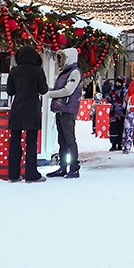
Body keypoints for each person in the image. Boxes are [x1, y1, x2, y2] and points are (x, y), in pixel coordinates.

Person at [6, 46, 48, 183]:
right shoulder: (37, 70)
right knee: (31, 143)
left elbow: (10, 91)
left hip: (17, 108)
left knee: (15, 142)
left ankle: (13, 174)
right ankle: (31, 174)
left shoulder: (14, 71)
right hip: (32, 108)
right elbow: (44, 89)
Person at [45, 47, 83, 178]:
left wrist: (49, 94)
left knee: (69, 139)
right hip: (61, 109)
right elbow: (61, 89)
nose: (60, 61)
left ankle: (74, 168)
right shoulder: (65, 72)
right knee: (62, 140)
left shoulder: (74, 73)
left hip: (67, 110)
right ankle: (62, 167)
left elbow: (68, 90)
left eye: (62, 58)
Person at [107, 78, 126, 151]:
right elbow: (109, 98)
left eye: (119, 83)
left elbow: (126, 100)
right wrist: (108, 98)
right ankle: (113, 144)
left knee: (121, 129)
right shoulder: (112, 91)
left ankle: (120, 144)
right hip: (113, 113)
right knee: (113, 128)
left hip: (122, 113)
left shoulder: (124, 91)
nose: (117, 84)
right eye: (116, 82)